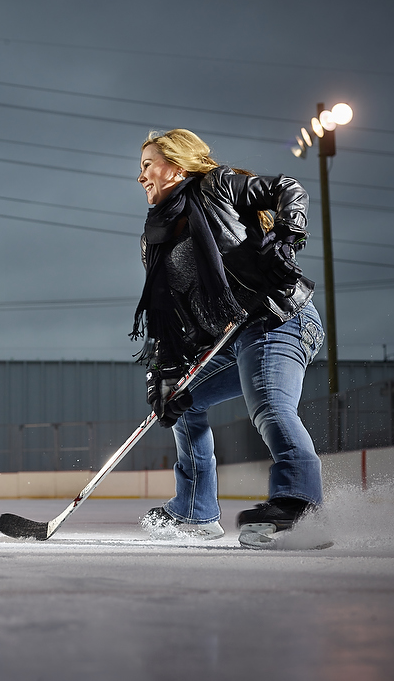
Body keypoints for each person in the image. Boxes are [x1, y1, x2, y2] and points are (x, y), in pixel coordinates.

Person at [131, 129, 326, 549]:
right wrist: (166, 372)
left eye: (148, 164)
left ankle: (299, 505)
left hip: (280, 317)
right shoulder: (155, 238)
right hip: (233, 336)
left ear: (177, 164)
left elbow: (286, 188)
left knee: (269, 402)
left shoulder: (216, 186)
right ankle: (195, 512)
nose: (141, 175)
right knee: (182, 401)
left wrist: (289, 235)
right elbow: (168, 315)